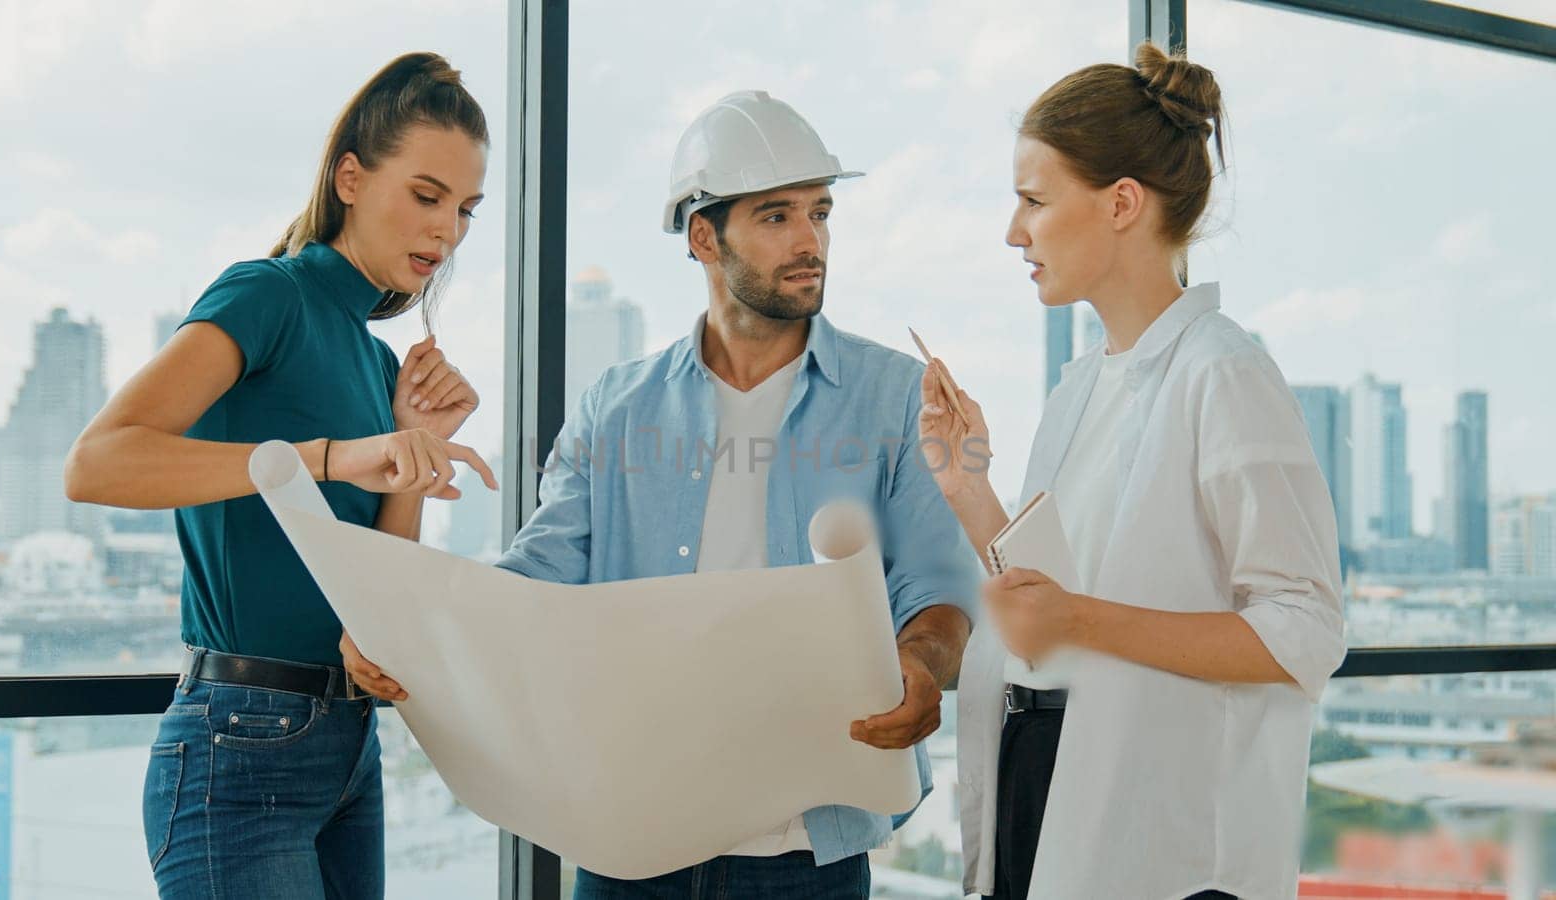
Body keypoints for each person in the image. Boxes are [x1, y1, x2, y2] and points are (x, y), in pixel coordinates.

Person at [344, 90, 977, 899]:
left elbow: (936, 589)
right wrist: (412, 626)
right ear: (705, 236)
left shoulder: (894, 396)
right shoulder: (618, 404)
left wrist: (921, 666)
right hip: (632, 847)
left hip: (803, 858)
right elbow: (538, 573)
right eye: (777, 217)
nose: (811, 239)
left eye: (820, 213)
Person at [919, 44, 1347, 899]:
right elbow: (1054, 593)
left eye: (1034, 201)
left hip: (1164, 830)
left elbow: (1304, 627)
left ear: (1121, 203)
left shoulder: (1222, 373)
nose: (1013, 232)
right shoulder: (1084, 381)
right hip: (1042, 775)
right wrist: (970, 489)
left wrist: (1078, 616)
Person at [64, 52, 496, 899]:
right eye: (425, 195)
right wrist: (333, 458)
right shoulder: (268, 295)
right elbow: (96, 462)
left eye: (466, 209)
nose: (447, 232)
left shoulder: (376, 363)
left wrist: (411, 447)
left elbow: (373, 597)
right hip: (237, 741)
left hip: (349, 745)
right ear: (350, 178)